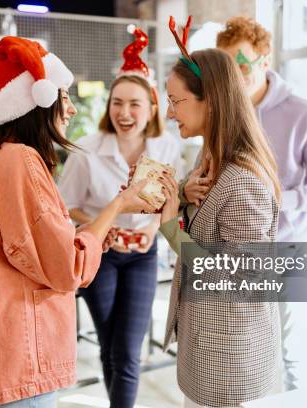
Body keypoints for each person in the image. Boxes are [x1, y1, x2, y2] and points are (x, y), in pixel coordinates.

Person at [0, 36, 156, 408]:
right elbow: (67, 267)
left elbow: (31, 247)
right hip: (17, 364)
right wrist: (118, 206)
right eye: (64, 96)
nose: (70, 109)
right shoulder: (19, 162)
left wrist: (90, 234)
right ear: (39, 100)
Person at [149, 17, 282, 408]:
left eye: (176, 102)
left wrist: (173, 230)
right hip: (209, 342)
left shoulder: (242, 180)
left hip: (230, 356)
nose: (171, 114)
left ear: (211, 100)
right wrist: (182, 196)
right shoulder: (211, 158)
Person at [215, 16, 307, 391]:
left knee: (292, 351)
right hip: (240, 251)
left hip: (292, 246)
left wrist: (274, 201)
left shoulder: (304, 113)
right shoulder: (224, 115)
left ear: (265, 60)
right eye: (227, 68)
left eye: (242, 65)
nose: (236, 77)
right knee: (242, 346)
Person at [58, 25, 182, 408]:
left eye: (134, 104)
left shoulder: (168, 146)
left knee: (127, 350)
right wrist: (107, 220)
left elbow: (166, 203)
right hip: (100, 256)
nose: (124, 113)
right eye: (117, 103)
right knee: (111, 345)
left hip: (142, 256)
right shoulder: (87, 151)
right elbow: (67, 206)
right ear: (108, 106)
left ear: (152, 109)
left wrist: (148, 227)